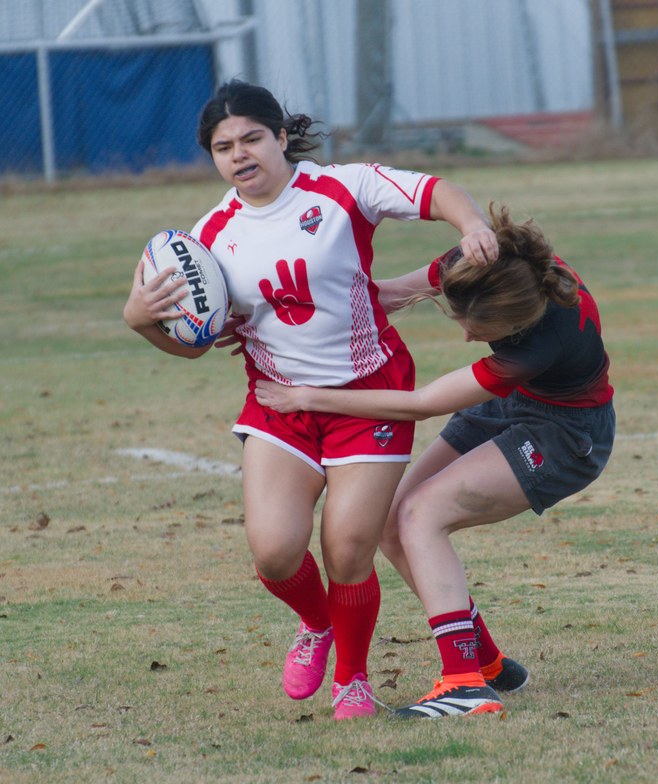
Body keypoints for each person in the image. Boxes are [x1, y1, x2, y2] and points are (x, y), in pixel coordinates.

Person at [123, 79, 500, 720]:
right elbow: (194, 345)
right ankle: (318, 623)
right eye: (223, 147)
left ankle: (352, 679)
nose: (239, 155)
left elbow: (436, 192)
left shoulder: (343, 188)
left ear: (280, 136)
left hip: (370, 393)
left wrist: (473, 224)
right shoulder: (208, 238)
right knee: (274, 552)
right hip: (280, 403)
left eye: (251, 138)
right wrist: (140, 321)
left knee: (348, 547)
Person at [254, 203, 615, 719]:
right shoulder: (485, 262)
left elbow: (419, 403)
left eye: (480, 329)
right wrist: (273, 318)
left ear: (516, 324)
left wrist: (309, 396)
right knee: (388, 519)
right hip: (513, 404)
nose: (467, 336)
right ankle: (486, 661)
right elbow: (386, 295)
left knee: (421, 515)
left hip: (565, 434)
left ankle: (464, 684)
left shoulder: (538, 347)